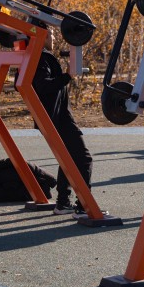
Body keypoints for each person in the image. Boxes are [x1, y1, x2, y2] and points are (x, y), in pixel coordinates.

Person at [29, 25, 93, 215]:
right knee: (84, 158)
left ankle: (63, 202)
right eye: (52, 34)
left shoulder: (34, 56)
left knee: (68, 158)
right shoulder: (41, 57)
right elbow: (43, 86)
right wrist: (67, 76)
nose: (55, 38)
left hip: (56, 115)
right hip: (57, 118)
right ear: (43, 35)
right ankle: (85, 205)